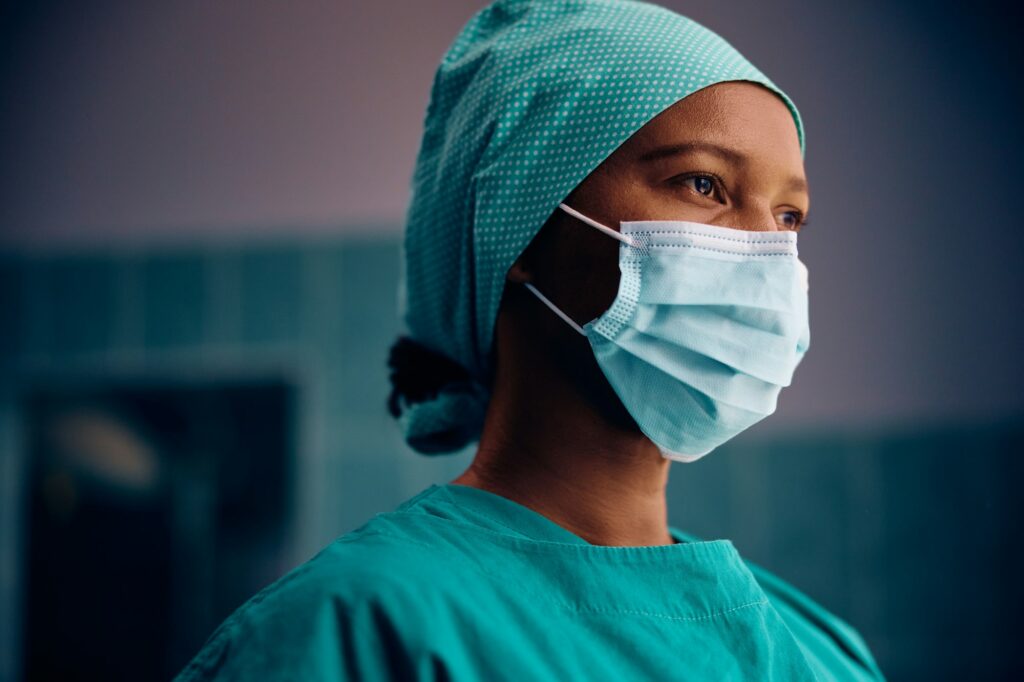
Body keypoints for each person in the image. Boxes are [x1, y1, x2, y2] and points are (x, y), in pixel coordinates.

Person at [174, 0, 886, 679]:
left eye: (790, 216)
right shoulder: (357, 629)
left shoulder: (821, 649)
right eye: (703, 184)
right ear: (519, 219)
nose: (769, 256)